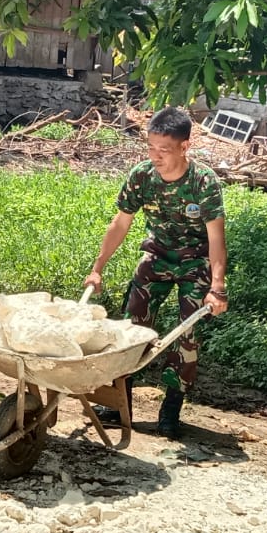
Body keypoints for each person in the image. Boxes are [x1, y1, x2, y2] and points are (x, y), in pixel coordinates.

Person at [84, 106, 228, 437]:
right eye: (151, 147)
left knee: (185, 333)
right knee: (130, 326)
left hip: (195, 263)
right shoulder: (141, 176)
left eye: (164, 150)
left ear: (184, 146)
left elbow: (216, 237)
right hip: (158, 255)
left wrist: (217, 285)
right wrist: (97, 269)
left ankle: (171, 410)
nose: (156, 156)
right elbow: (120, 223)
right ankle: (120, 403)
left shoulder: (203, 182)